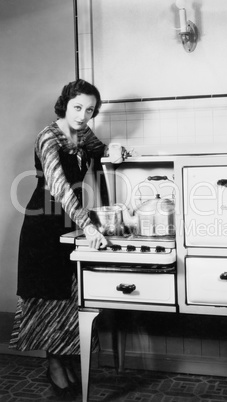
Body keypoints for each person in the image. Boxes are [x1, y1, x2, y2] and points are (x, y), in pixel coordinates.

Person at [9, 79, 123, 398]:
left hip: (69, 220)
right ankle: (54, 365)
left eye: (89, 110)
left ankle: (64, 359)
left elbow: (100, 150)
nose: (83, 115)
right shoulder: (48, 136)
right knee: (49, 294)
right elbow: (58, 187)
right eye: (77, 107)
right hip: (44, 221)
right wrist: (88, 226)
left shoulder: (83, 133)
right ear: (65, 104)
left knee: (70, 294)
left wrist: (115, 148)